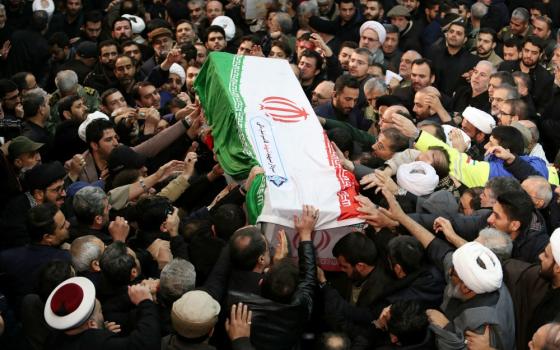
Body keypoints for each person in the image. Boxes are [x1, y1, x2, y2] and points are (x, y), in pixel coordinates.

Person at [379, 189, 515, 350]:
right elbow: (436, 247)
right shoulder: (469, 274)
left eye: (453, 272)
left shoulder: (482, 324)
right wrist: (401, 218)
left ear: (466, 287)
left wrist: (446, 329)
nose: (449, 270)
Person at [44, 276, 161, 350]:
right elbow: (145, 344)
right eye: (100, 311)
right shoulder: (97, 343)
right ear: (91, 324)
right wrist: (145, 302)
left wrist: (102, 333)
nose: (103, 312)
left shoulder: (52, 338)